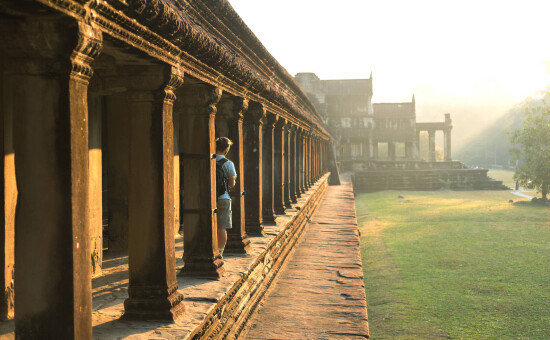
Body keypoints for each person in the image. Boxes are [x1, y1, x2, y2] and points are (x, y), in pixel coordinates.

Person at [215, 137, 237, 257]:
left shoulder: (209, 160)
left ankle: (211, 249)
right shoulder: (228, 163)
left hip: (208, 197)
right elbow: (231, 183)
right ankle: (220, 252)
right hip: (223, 197)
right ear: (227, 148)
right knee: (222, 227)